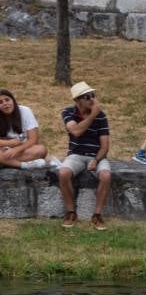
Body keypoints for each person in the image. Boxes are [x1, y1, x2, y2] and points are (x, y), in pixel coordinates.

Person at [58, 82, 111, 231]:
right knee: (63, 173)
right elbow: (75, 131)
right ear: (77, 100)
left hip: (97, 155)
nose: (92, 100)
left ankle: (97, 215)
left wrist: (96, 160)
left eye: (93, 95)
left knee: (106, 175)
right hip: (76, 154)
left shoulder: (101, 116)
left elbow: (105, 146)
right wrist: (93, 115)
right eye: (87, 97)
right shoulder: (68, 112)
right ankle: (70, 212)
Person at [0, 89, 49, 170]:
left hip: (23, 149)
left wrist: (16, 149)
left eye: (7, 100)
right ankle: (24, 165)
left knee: (41, 150)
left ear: (13, 100)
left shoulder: (25, 111)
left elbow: (33, 139)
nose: (5, 104)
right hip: (3, 149)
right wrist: (9, 143)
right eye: (0, 102)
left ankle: (6, 162)